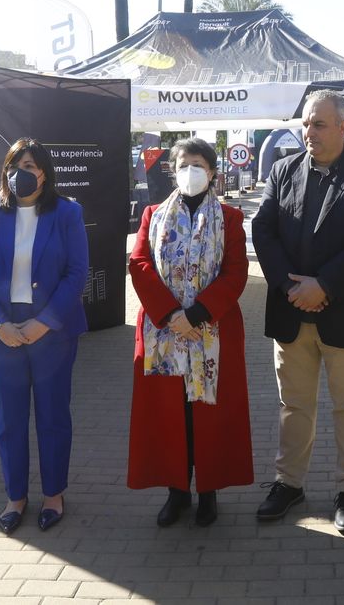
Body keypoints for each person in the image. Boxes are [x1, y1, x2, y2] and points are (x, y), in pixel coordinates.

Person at [252, 90, 344, 534]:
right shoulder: (283, 170)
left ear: (342, 127)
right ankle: (288, 483)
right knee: (293, 405)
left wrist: (325, 286)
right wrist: (291, 287)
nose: (309, 132)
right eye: (306, 124)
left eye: (318, 124)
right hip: (292, 312)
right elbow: (263, 229)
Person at [127, 138, 253, 527]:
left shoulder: (230, 218)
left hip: (210, 332)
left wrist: (196, 313)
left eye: (197, 164)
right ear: (173, 170)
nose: (189, 171)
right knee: (171, 415)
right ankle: (176, 491)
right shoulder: (153, 213)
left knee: (207, 414)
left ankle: (208, 492)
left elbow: (236, 272)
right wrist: (170, 314)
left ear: (213, 172)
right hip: (164, 333)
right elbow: (139, 263)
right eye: (183, 164)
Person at [0, 138, 88, 534]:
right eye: (16, 164)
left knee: (53, 416)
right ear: (6, 170)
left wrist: (44, 322)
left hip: (51, 331)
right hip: (2, 331)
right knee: (9, 420)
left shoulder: (67, 212)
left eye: (32, 164)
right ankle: (15, 497)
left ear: (45, 172)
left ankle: (54, 495)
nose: (24, 171)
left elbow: (76, 273)